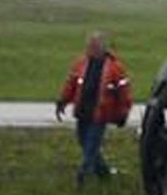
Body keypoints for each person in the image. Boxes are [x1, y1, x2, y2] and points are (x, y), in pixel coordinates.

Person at [54, 33, 133, 184]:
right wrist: (62, 101)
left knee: (91, 146)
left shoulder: (116, 68)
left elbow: (124, 94)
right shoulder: (81, 64)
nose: (91, 49)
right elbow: (71, 84)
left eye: (94, 46)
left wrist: (123, 114)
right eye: (90, 46)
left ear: (103, 48)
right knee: (83, 141)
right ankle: (103, 172)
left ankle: (82, 176)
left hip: (100, 115)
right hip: (83, 112)